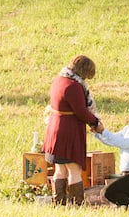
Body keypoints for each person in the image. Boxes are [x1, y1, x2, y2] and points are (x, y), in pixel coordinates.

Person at [43, 55, 100, 206]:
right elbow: (81, 111)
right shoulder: (73, 86)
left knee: (60, 169)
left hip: (55, 127)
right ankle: (77, 205)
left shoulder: (59, 80)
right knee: (74, 170)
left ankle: (59, 203)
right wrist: (95, 122)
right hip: (69, 130)